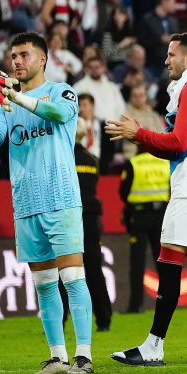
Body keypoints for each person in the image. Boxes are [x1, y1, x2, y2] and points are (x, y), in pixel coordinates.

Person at [106, 33, 187, 367]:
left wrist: (140, 135)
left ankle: (154, 346)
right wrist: (142, 138)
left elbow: (177, 141)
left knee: (168, 263)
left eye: (171, 54)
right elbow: (179, 145)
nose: (166, 61)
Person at [0, 32, 93, 374]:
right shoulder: (8, 103)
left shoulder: (62, 91)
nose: (17, 61)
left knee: (72, 277)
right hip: (26, 204)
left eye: (24, 55)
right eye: (14, 56)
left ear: (42, 59)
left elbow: (58, 115)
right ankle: (58, 357)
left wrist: (15, 95)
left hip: (61, 198)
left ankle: (84, 357)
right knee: (44, 284)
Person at [119, 147, 170, 314]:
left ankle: (136, 304)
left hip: (140, 215)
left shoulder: (133, 163)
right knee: (163, 262)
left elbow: (123, 191)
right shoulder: (165, 162)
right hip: (161, 215)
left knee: (137, 263)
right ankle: (169, 301)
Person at [74, 117, 112, 332]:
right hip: (90, 219)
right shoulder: (92, 160)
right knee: (94, 271)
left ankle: (58, 321)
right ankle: (104, 320)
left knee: (62, 271)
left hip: (69, 219)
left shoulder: (61, 158)